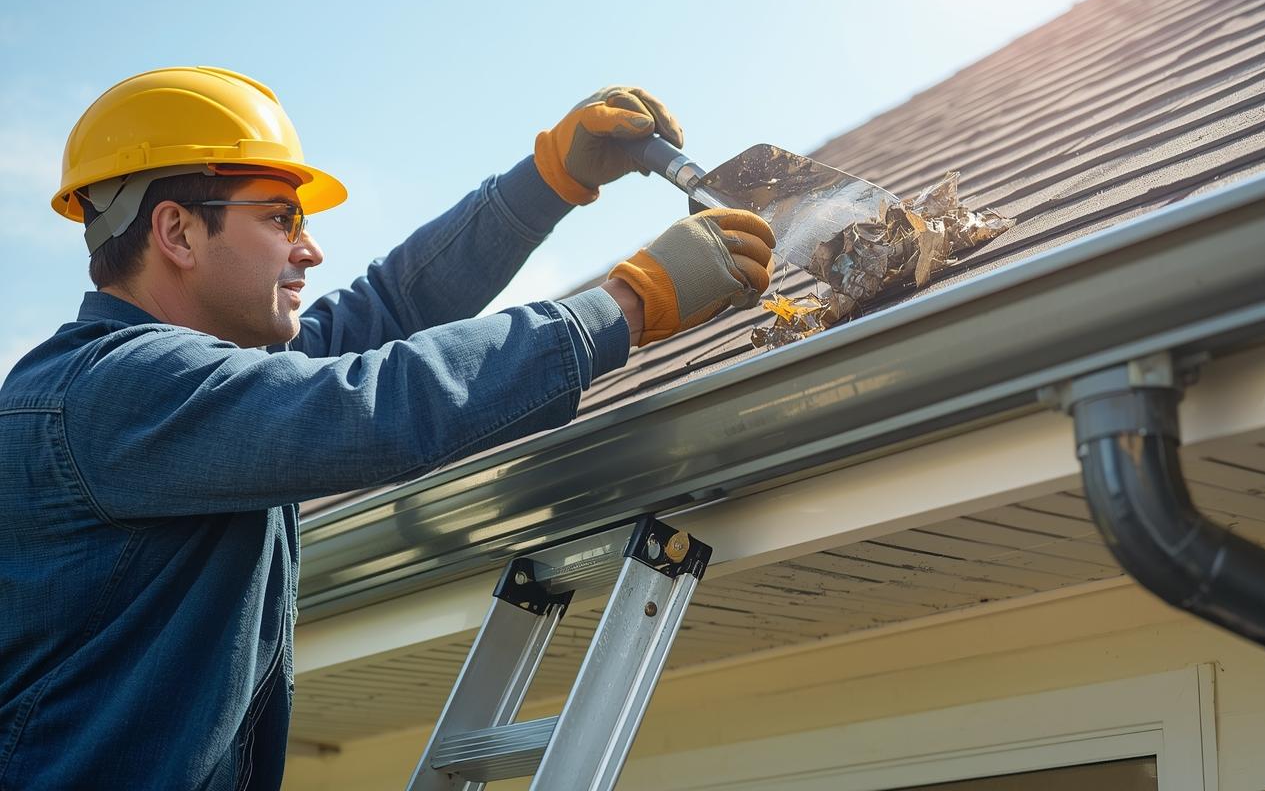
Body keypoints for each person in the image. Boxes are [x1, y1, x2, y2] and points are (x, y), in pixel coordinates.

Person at [0, 66, 775, 790]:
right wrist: (623, 306)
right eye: (279, 218)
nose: (310, 248)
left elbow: (389, 310)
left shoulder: (179, 392)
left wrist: (547, 181)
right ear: (176, 233)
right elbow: (372, 407)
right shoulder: (112, 392)